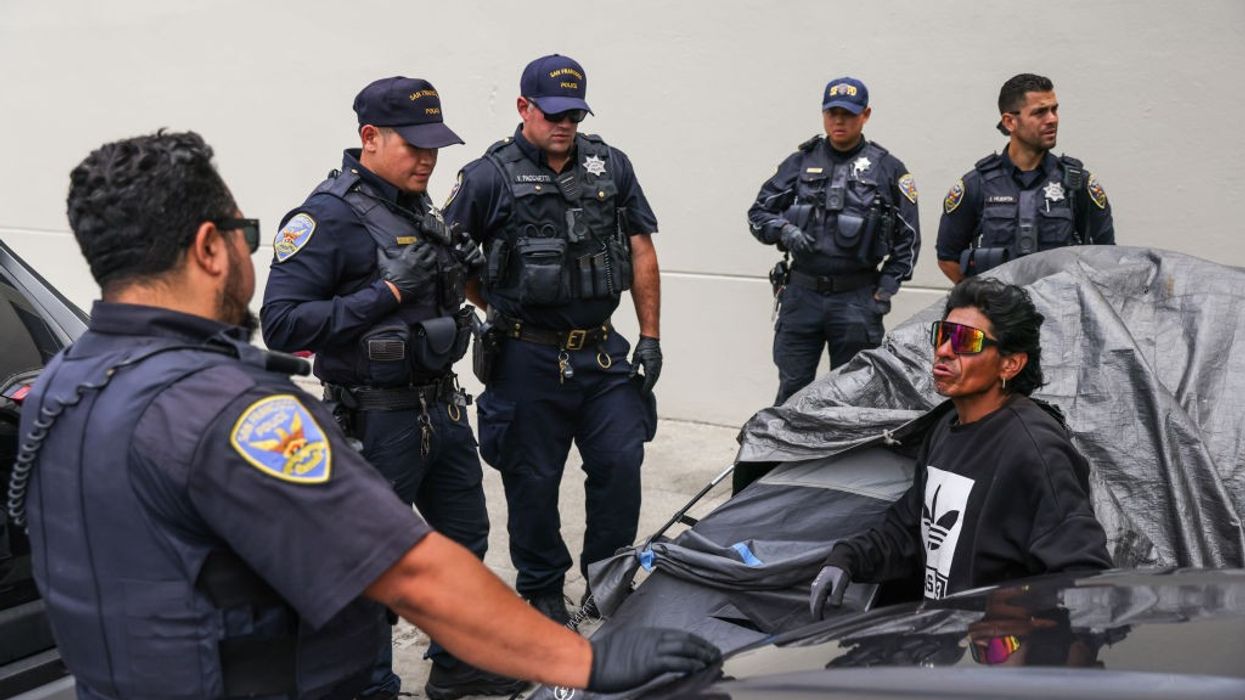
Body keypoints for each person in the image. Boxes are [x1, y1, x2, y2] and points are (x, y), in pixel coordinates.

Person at [12, 130, 719, 699]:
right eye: (243, 234)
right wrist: (584, 662)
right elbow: (409, 574)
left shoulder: (58, 384)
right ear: (209, 247)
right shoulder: (234, 411)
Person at [259, 77, 504, 699]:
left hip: (441, 405)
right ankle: (369, 687)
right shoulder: (325, 216)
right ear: (370, 137)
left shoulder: (418, 207)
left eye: (435, 147)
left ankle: (458, 665)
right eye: (414, 145)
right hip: (374, 419)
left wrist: (466, 268)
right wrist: (385, 293)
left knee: (462, 540)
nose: (428, 159)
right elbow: (282, 325)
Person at [442, 54, 661, 625]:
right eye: (553, 113)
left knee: (621, 463)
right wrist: (500, 309)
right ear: (524, 107)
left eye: (574, 115)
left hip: (602, 353)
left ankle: (607, 579)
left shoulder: (611, 165)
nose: (565, 124)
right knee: (532, 479)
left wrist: (651, 337)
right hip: (527, 357)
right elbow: (451, 259)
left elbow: (640, 248)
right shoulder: (488, 176)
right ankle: (540, 585)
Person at [809, 277, 1112, 618]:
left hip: (987, 648)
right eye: (943, 335)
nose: (944, 351)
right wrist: (846, 558)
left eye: (966, 341)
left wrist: (1005, 641)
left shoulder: (1035, 449)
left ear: (1010, 364)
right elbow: (910, 529)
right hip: (942, 638)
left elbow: (1082, 578)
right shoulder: (946, 427)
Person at [748, 76, 920, 405]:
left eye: (848, 114)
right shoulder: (799, 162)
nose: (839, 121)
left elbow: (908, 239)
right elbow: (758, 213)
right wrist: (783, 229)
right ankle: (788, 441)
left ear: (865, 115)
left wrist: (884, 291)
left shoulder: (887, 169)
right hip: (801, 296)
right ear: (824, 114)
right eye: (833, 113)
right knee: (793, 389)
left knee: (853, 393)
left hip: (857, 298)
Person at [936, 73, 1115, 283]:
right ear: (1010, 122)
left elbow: (1105, 258)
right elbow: (948, 257)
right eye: (1040, 112)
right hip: (998, 304)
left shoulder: (1077, 184)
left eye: (1054, 110)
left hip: (1061, 303)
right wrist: (983, 296)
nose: (1052, 119)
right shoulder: (976, 185)